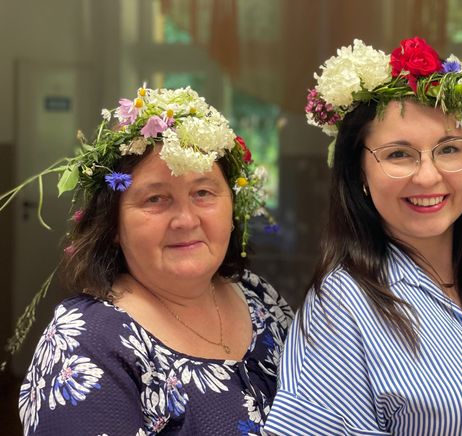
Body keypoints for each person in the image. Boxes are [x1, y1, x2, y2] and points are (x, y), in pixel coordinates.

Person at [264, 37, 462, 435]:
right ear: (359, 173)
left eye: (449, 149)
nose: (429, 176)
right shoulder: (340, 312)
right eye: (399, 154)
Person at [6, 85, 293, 435]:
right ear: (113, 224)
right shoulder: (87, 343)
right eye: (156, 199)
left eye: (203, 193)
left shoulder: (258, 297)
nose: (186, 220)